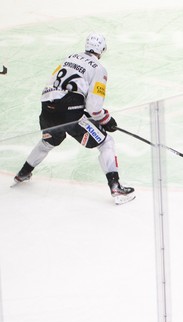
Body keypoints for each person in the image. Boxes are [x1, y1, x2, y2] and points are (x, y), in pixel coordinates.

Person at [12, 33, 135, 205]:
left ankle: (23, 172)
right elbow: (94, 108)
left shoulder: (69, 59)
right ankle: (115, 186)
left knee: (49, 141)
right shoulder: (99, 69)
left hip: (47, 108)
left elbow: (51, 82)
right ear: (103, 49)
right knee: (106, 143)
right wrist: (106, 120)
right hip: (70, 112)